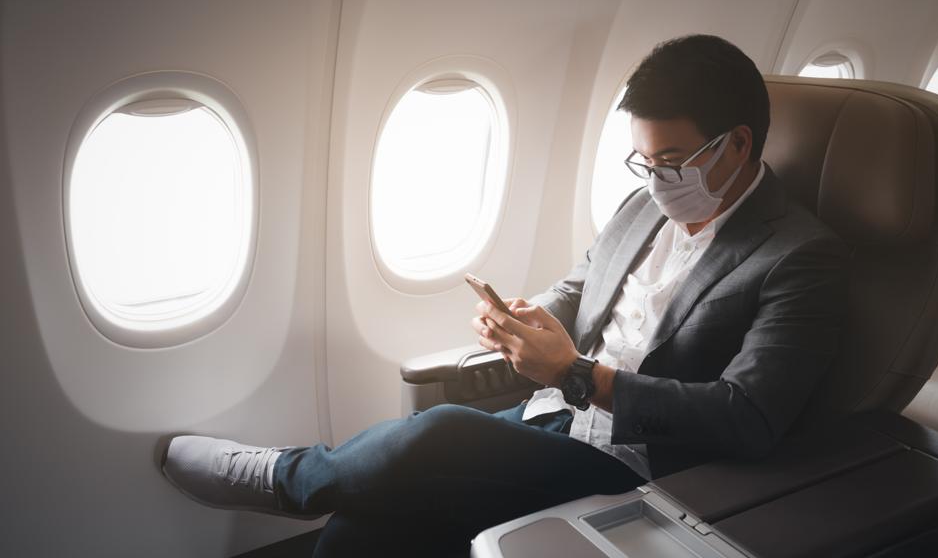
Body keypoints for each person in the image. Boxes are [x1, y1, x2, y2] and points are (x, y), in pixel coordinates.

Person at [159, 34, 849, 556]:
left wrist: (580, 375)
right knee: (368, 519)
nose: (654, 179)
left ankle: (288, 478)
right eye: (643, 160)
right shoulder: (643, 206)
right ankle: (312, 488)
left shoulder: (799, 257)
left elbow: (746, 418)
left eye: (670, 162)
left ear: (734, 146)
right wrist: (527, 320)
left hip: (640, 466)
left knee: (440, 432)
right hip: (550, 421)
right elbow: (583, 288)